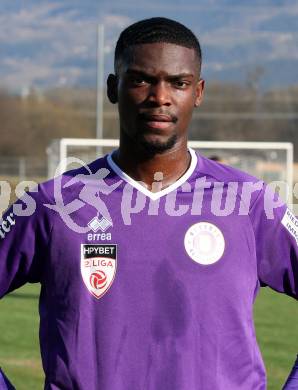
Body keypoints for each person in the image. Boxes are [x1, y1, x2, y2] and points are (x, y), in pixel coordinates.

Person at [0, 17, 297, 390]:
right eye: (141, 80)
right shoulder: (52, 205)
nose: (160, 97)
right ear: (113, 87)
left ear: (199, 92)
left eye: (179, 83)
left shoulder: (251, 204)